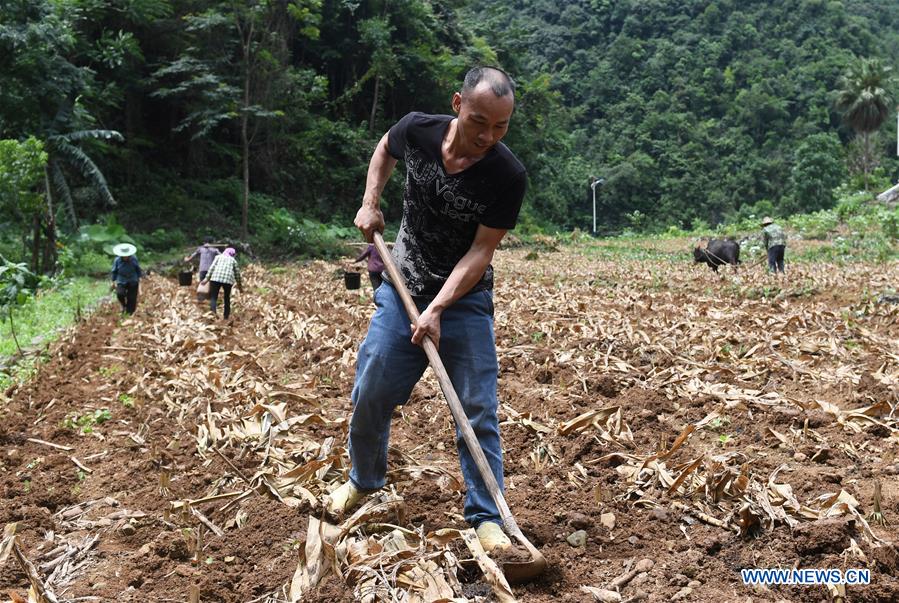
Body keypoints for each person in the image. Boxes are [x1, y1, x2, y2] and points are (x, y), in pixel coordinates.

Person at [326, 66, 526, 554]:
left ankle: (487, 518)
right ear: (458, 104)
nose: (488, 136)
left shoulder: (507, 175)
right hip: (402, 287)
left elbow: (480, 252)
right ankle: (363, 481)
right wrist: (371, 202)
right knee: (372, 389)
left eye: (500, 127)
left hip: (464, 300)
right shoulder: (418, 129)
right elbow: (384, 148)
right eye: (479, 122)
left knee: (476, 408)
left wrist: (437, 308)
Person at [201, 247, 242, 319]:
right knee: (227, 298)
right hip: (228, 280)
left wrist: (206, 279)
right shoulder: (233, 261)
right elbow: (237, 275)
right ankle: (226, 317)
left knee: (214, 297)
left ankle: (213, 314)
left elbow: (212, 268)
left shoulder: (218, 257)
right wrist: (240, 286)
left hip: (215, 278)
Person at [111, 243, 142, 315]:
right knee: (120, 294)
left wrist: (140, 278)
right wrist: (113, 281)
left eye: (126, 255)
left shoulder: (134, 259)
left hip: (133, 279)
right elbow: (114, 271)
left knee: (132, 298)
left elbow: (138, 269)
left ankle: (130, 313)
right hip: (121, 279)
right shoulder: (117, 260)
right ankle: (123, 305)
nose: (125, 257)